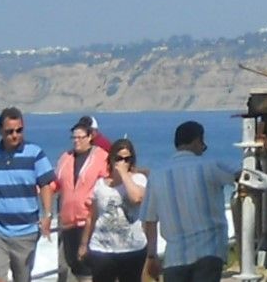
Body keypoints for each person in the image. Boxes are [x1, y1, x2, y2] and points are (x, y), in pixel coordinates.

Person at [143, 120, 238, 282]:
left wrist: (151, 256)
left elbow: (149, 220)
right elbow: (243, 177)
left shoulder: (157, 175)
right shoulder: (211, 166)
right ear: (197, 141)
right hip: (209, 251)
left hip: (174, 256)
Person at [0, 107, 57, 282]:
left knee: (22, 278)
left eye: (19, 130)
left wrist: (48, 215)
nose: (15, 135)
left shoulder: (35, 153)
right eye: (10, 131)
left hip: (26, 232)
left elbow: (45, 185)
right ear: (0, 131)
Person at [86, 137, 149, 282]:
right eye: (119, 158)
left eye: (127, 159)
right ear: (111, 159)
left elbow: (136, 198)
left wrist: (124, 174)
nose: (122, 162)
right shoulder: (100, 184)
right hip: (102, 248)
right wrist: (85, 244)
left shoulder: (139, 179)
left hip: (132, 249)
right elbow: (93, 216)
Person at [57, 117, 109, 279]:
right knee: (74, 265)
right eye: (74, 137)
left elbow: (107, 183)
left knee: (90, 266)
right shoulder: (66, 157)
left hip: (89, 221)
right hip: (68, 224)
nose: (76, 141)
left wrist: (93, 203)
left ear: (90, 137)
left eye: (80, 137)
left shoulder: (101, 157)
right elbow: (56, 182)